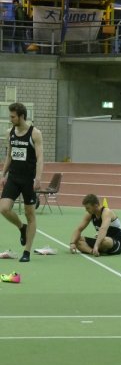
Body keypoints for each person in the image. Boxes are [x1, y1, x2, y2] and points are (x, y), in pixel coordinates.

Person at [0, 102, 43, 263]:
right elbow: (9, 155)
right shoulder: (10, 132)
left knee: (29, 214)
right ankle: (21, 227)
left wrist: (38, 178)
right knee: (4, 208)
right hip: (13, 177)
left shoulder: (35, 133)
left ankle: (27, 251)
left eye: (13, 116)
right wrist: (3, 174)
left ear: (21, 116)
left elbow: (40, 158)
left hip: (28, 180)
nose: (10, 119)